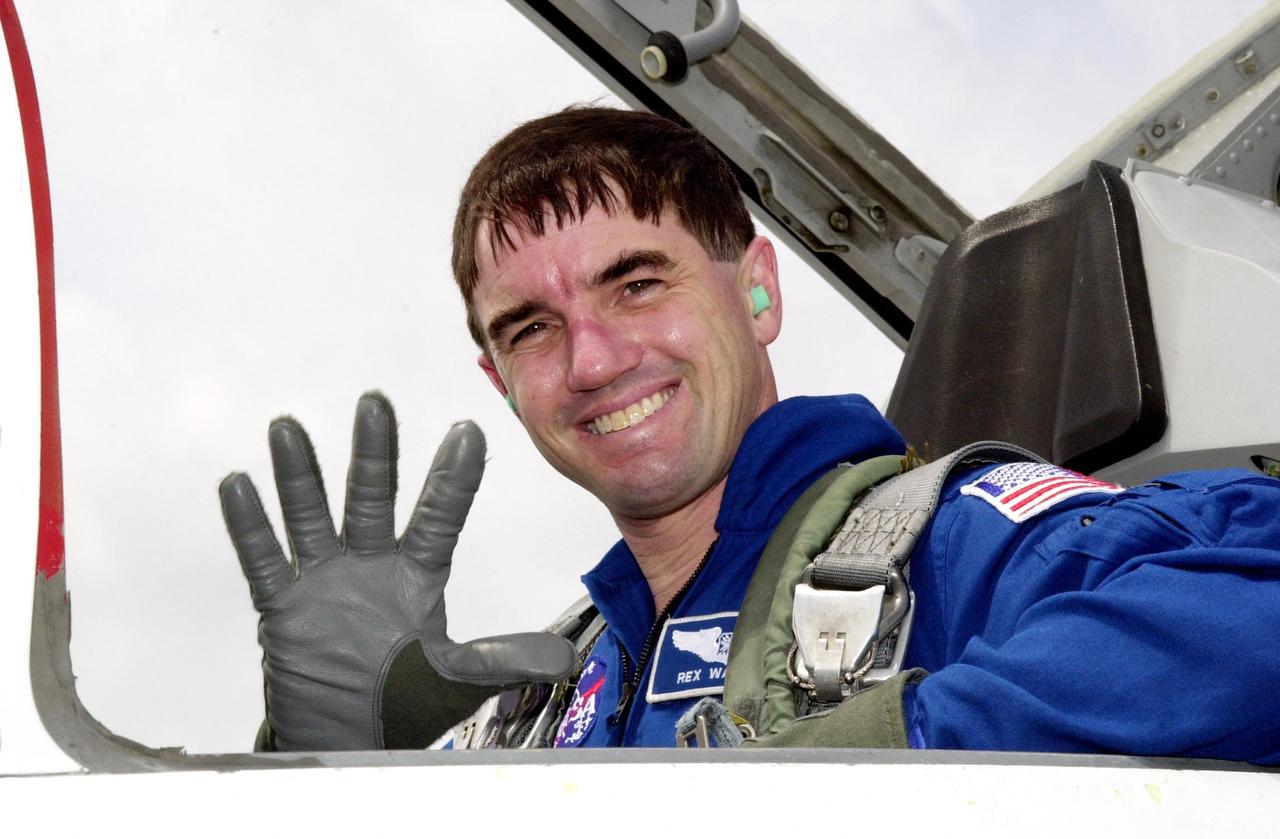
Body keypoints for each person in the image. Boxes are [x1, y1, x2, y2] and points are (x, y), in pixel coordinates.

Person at [220, 107, 1280, 761]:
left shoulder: (945, 547)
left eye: (636, 284)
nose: (591, 359)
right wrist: (321, 760)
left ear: (758, 292)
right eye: (531, 329)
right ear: (499, 382)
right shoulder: (548, 705)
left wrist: (884, 754)